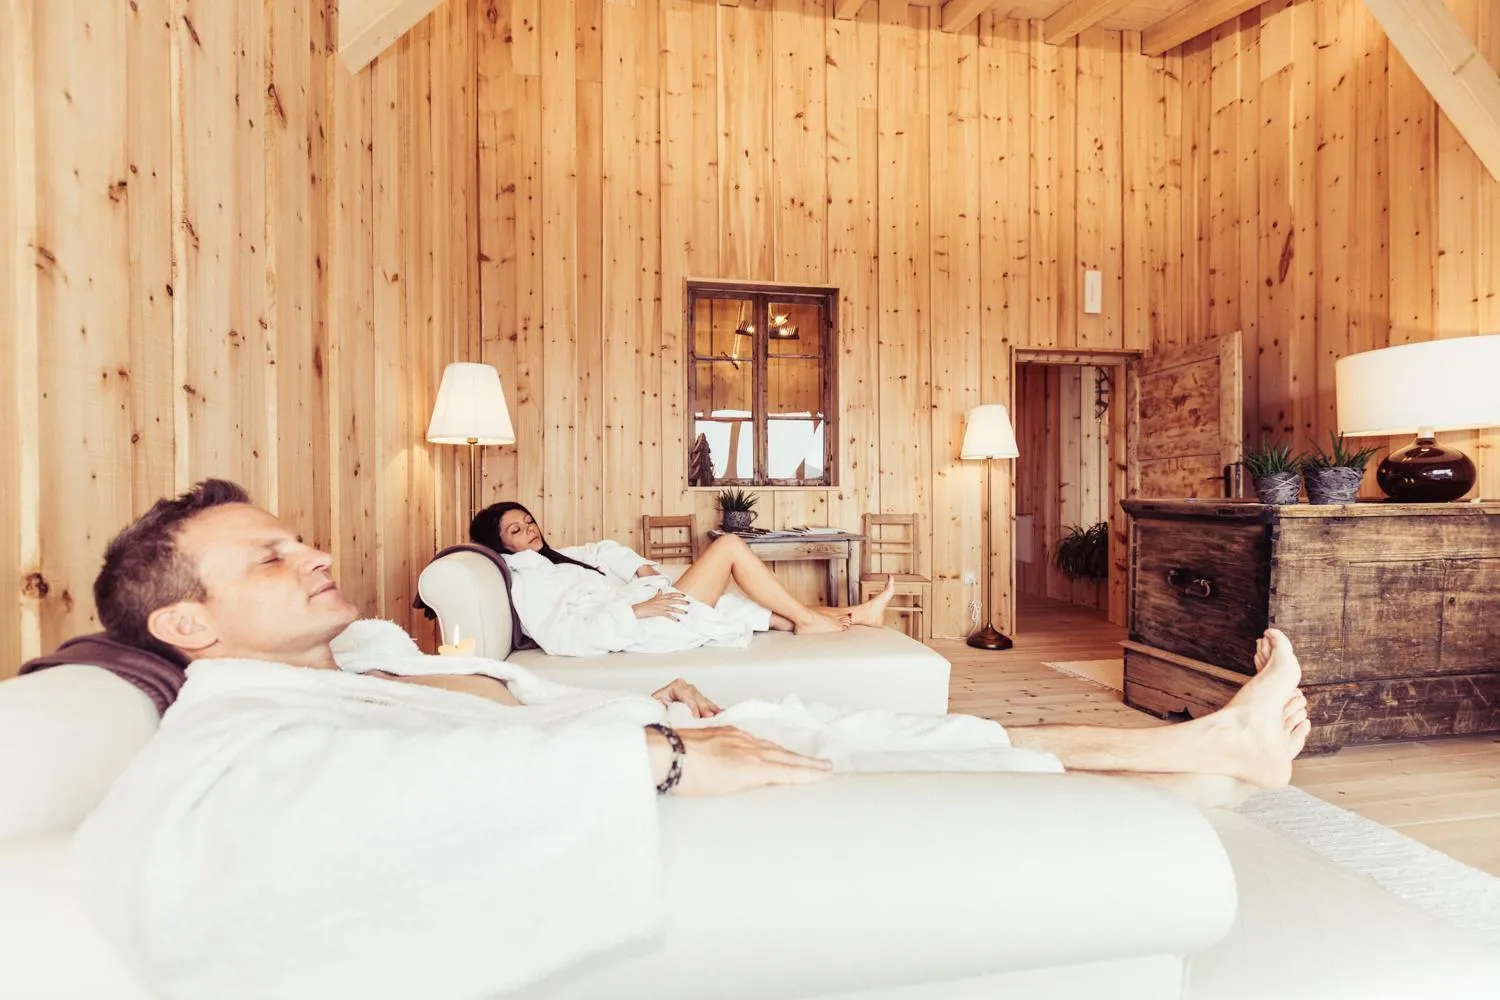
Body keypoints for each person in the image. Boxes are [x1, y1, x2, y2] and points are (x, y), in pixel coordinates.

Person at [76, 481, 1310, 1000]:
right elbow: (297, 825)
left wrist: (634, 713)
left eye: (302, 537)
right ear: (188, 620)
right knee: (888, 750)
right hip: (646, 774)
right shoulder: (223, 729)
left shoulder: (315, 679)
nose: (316, 555)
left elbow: (461, 714)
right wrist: (645, 756)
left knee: (890, 723)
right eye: (271, 556)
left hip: (636, 721)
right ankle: (1218, 748)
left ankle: (1206, 744)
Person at [468, 500, 899, 656]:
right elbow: (564, 637)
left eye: (529, 521)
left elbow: (600, 550)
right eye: (517, 531)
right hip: (645, 626)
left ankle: (859, 615)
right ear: (501, 544)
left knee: (765, 614)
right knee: (729, 545)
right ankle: (812, 620)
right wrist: (633, 610)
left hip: (653, 605)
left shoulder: (552, 558)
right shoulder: (528, 581)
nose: (531, 531)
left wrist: (640, 568)